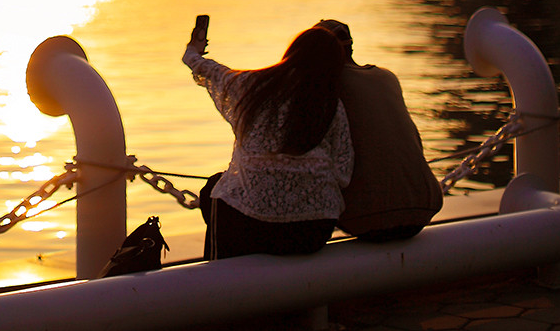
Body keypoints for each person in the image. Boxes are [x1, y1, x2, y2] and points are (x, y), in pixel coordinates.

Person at [183, 22, 353, 259]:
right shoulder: (332, 105)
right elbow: (343, 173)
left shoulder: (250, 86)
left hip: (256, 227)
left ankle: (218, 276)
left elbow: (205, 68)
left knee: (214, 189)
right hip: (313, 232)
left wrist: (194, 49)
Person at [316, 19, 443, 241]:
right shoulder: (387, 77)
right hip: (424, 207)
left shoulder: (327, 86)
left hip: (366, 219)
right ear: (351, 47)